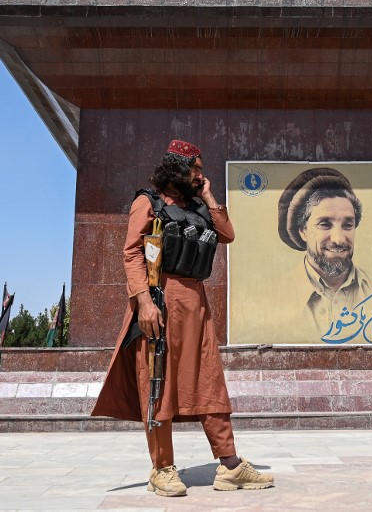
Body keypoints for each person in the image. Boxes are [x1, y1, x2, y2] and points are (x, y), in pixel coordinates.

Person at [92, 139, 273, 497]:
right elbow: (132, 254)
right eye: (195, 169)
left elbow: (228, 235)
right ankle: (162, 469)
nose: (200, 175)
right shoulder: (149, 202)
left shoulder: (198, 206)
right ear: (177, 167)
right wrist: (144, 302)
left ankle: (231, 466)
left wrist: (208, 196)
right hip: (161, 300)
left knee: (210, 381)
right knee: (157, 380)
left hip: (196, 304)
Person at [277, 167, 372, 339]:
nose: (338, 239)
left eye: (347, 225)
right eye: (325, 224)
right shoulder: (276, 297)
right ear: (303, 231)